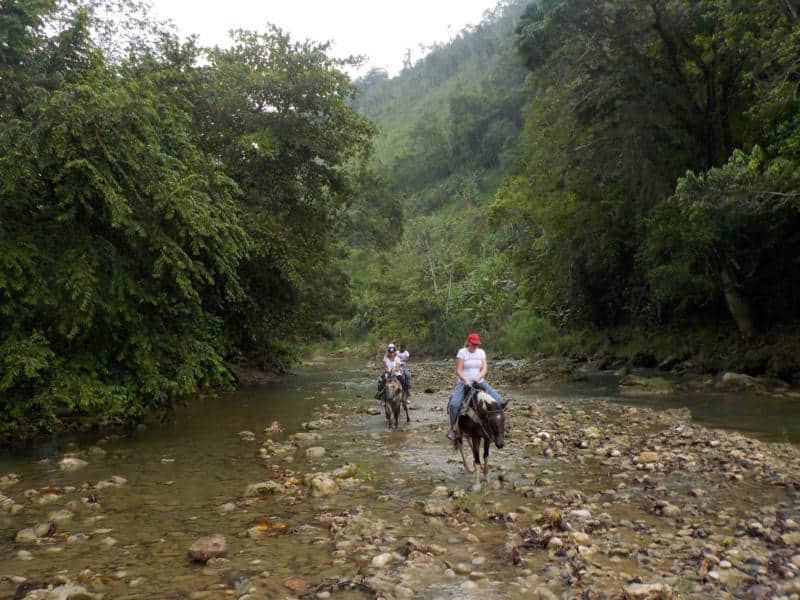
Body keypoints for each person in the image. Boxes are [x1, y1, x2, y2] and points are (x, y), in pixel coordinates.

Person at [447, 332, 504, 440]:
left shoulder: (481, 352)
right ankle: (453, 428)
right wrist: (465, 380)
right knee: (454, 405)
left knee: (500, 402)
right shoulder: (462, 352)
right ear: (468, 342)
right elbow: (458, 370)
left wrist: (478, 377)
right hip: (464, 382)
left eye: (477, 344)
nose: (475, 346)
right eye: (473, 344)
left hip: (480, 381)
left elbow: (484, 369)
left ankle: (500, 427)